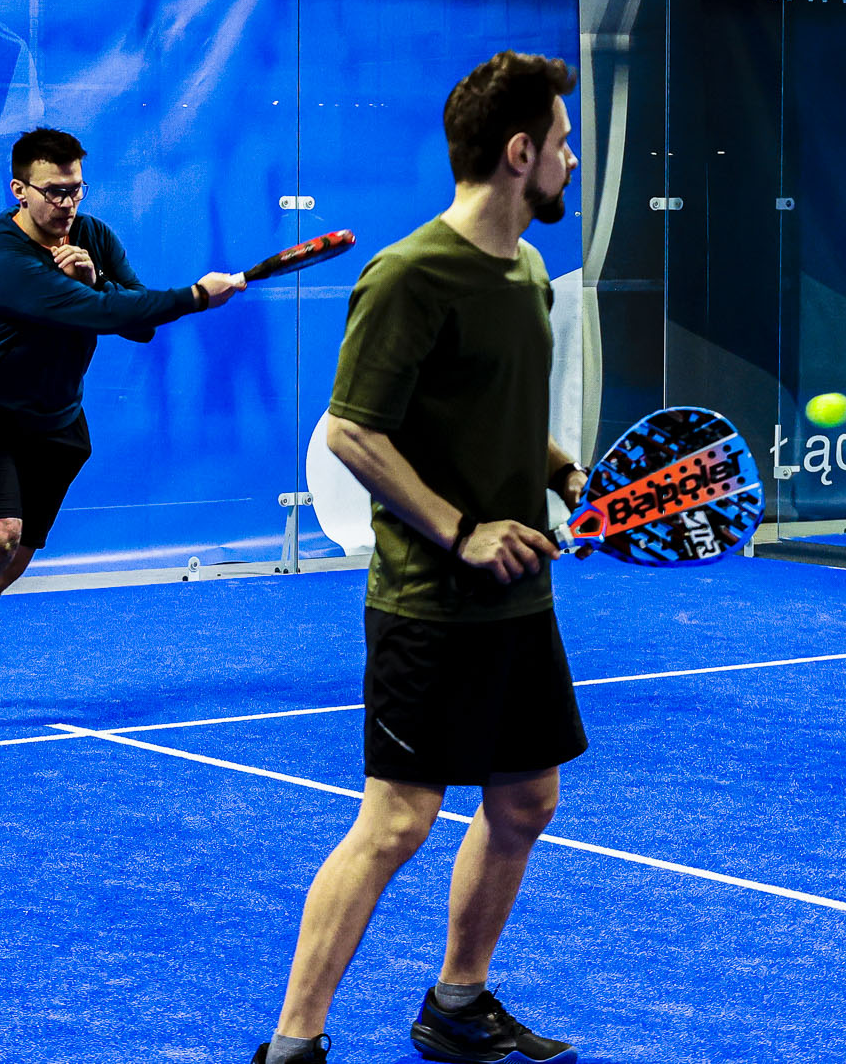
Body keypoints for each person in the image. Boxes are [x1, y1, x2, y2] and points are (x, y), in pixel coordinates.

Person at [255, 52, 587, 1064]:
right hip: (427, 602)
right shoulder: (407, 275)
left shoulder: (525, 270)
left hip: (517, 598)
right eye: (561, 143)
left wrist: (554, 466)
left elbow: (485, 410)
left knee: (526, 799)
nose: (570, 162)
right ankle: (292, 1043)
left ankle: (455, 1001)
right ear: (517, 152)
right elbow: (355, 430)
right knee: (397, 820)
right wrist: (459, 529)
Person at [0, 127, 246, 740]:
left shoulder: (92, 235)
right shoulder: (3, 259)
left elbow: (135, 320)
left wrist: (96, 275)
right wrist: (196, 296)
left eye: (76, 190)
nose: (67, 203)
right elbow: (108, 313)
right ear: (19, 190)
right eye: (53, 191)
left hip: (56, 422)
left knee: (7, 563)